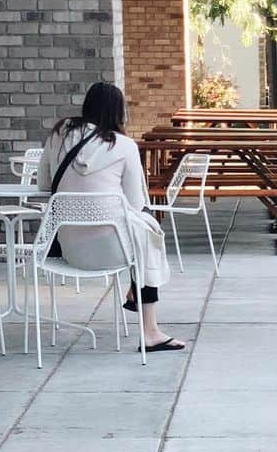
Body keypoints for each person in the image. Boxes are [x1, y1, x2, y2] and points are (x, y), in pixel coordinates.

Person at [37, 81, 185, 352]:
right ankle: (149, 329)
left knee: (139, 230)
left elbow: (43, 185)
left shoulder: (58, 134)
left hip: (66, 249)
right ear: (119, 112)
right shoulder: (125, 146)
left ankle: (135, 289)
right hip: (113, 252)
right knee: (147, 229)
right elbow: (135, 202)